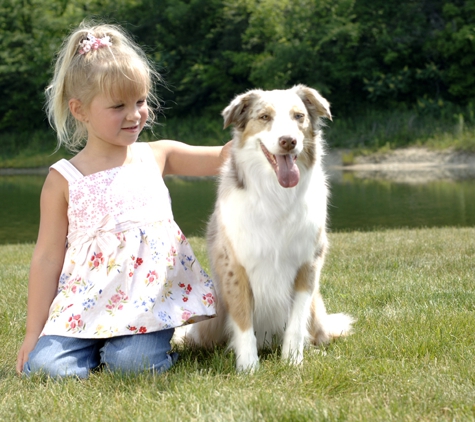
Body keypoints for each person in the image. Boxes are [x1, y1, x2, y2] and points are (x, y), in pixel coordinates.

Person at [16, 22, 229, 378]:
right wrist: (31, 334)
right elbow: (47, 257)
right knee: (44, 370)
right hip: (83, 304)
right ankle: (95, 347)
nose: (134, 115)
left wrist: (262, 135)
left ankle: (126, 350)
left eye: (140, 102)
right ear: (80, 110)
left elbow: (223, 157)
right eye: (118, 106)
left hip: (146, 303)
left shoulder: (156, 155)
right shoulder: (63, 179)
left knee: (133, 367)